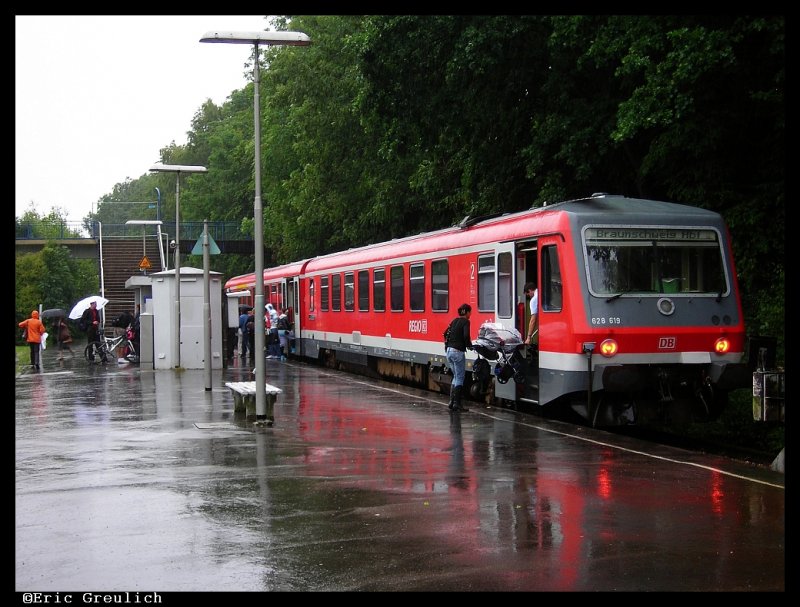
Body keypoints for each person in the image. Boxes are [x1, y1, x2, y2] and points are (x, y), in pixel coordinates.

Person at [444, 303, 472, 412]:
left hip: (449, 351)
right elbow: (466, 336)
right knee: (460, 377)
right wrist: (468, 345)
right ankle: (457, 403)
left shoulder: (454, 321)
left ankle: (451, 402)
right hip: (458, 352)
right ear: (467, 312)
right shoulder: (466, 322)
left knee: (455, 376)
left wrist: (447, 345)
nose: (470, 314)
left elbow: (445, 333)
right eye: (470, 312)